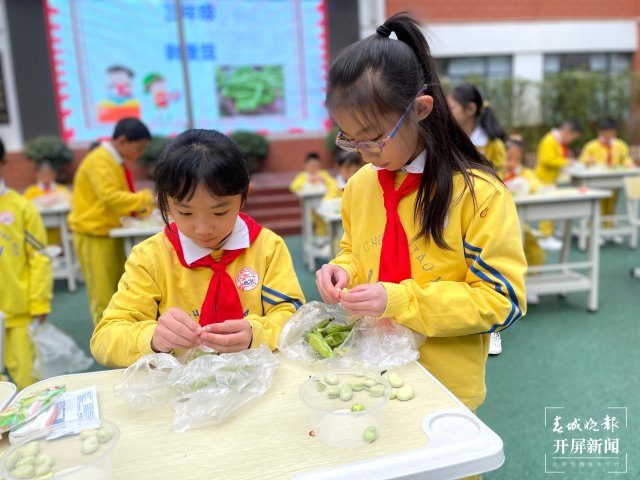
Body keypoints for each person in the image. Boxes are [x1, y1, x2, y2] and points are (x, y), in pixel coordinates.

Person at [315, 13, 527, 428]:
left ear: (422, 109)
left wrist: (398, 299)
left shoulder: (477, 192)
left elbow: (502, 300)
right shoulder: (361, 185)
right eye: (348, 137)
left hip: (445, 382)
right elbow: (355, 249)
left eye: (373, 136)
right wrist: (342, 270)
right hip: (368, 367)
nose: (363, 152)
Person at [91, 129, 305, 367]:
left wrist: (257, 333)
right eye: (185, 212)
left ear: (243, 198)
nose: (203, 229)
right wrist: (152, 339)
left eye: (220, 212)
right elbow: (105, 338)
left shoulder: (266, 248)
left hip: (257, 379)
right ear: (165, 202)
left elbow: (294, 317)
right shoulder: (150, 257)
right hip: (180, 392)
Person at [68, 118, 155, 326]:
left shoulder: (112, 159)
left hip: (108, 231)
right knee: (103, 295)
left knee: (117, 292)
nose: (140, 153)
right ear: (123, 141)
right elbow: (111, 198)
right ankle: (104, 348)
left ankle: (118, 340)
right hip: (93, 234)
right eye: (139, 147)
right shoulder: (100, 159)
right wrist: (145, 198)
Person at [0, 138, 53, 389]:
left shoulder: (21, 208)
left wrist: (39, 301)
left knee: (27, 383)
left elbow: (39, 259)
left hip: (19, 313)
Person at [580, 117, 635, 239]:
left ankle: (609, 229)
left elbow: (625, 158)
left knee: (611, 205)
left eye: (611, 132)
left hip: (613, 180)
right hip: (595, 182)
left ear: (615, 132)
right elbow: (583, 159)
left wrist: (628, 163)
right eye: (605, 132)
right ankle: (594, 231)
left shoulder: (620, 145)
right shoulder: (591, 146)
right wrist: (587, 161)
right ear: (600, 132)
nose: (608, 135)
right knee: (597, 205)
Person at [534, 120, 583, 250]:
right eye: (573, 137)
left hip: (549, 179)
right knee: (547, 209)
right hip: (544, 179)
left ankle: (548, 234)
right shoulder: (550, 140)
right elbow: (547, 160)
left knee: (550, 208)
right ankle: (545, 236)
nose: (572, 140)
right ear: (567, 132)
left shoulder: (555, 140)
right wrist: (566, 162)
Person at [447, 83, 506, 175]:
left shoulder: (494, 145)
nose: (446, 113)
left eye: (450, 108)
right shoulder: (446, 141)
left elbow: (499, 176)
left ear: (471, 109)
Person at [23, 160, 71, 246]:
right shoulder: (30, 192)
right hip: (39, 236)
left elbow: (70, 203)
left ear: (54, 174)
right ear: (37, 174)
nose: (46, 177)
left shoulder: (62, 189)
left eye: (49, 174)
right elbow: (25, 209)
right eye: (42, 174)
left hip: (60, 236)